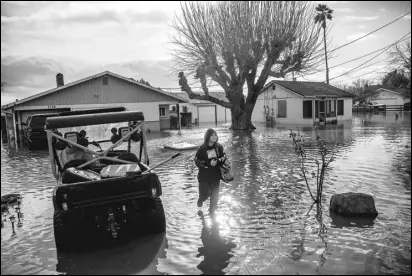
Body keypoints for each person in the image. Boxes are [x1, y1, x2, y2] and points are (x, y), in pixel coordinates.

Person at [195, 128, 226, 214]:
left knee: (214, 198)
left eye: (215, 135)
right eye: (212, 135)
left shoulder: (219, 147)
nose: (214, 137)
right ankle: (201, 199)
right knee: (206, 194)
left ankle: (212, 216)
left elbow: (224, 157)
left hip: (216, 176)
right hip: (204, 177)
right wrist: (209, 164)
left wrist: (219, 161)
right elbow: (197, 162)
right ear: (207, 136)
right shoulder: (202, 148)